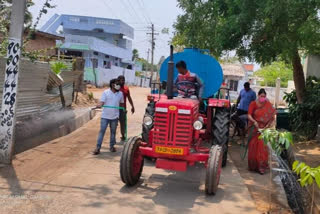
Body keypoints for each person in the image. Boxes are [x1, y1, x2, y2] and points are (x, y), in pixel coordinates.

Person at [247, 89, 276, 174]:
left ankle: (261, 167)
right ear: (258, 96)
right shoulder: (253, 104)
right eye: (261, 96)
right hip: (254, 128)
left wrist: (269, 126)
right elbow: (249, 115)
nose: (263, 98)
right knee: (253, 147)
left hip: (264, 130)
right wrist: (255, 122)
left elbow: (272, 115)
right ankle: (253, 166)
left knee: (262, 147)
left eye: (264, 96)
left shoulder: (267, 104)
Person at [93, 79, 124, 154]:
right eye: (117, 84)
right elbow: (102, 102)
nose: (119, 86)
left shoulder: (120, 94)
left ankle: (111, 146)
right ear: (113, 85)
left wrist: (123, 110)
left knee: (113, 132)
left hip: (115, 117)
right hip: (105, 116)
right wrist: (99, 105)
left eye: (119, 84)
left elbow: (121, 104)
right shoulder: (106, 92)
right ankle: (98, 148)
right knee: (102, 132)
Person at [118, 75, 135, 141]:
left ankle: (123, 135)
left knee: (123, 123)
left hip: (123, 109)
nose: (122, 81)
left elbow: (129, 98)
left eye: (123, 80)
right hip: (115, 109)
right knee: (113, 124)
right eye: (121, 80)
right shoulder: (116, 88)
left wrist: (132, 106)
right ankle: (112, 139)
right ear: (118, 81)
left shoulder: (126, 89)